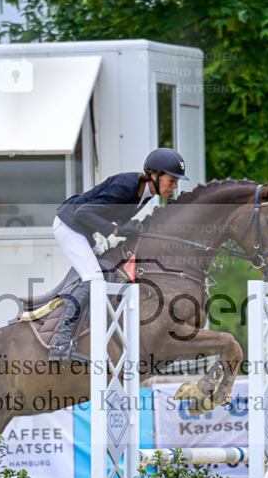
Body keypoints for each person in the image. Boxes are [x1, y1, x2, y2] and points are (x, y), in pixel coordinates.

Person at [49, 148, 188, 367]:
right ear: (154, 175)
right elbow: (82, 213)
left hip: (83, 231)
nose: (175, 186)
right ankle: (61, 345)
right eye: (171, 180)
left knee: (109, 270)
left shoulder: (146, 193)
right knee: (94, 279)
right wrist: (115, 231)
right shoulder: (127, 187)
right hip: (69, 226)